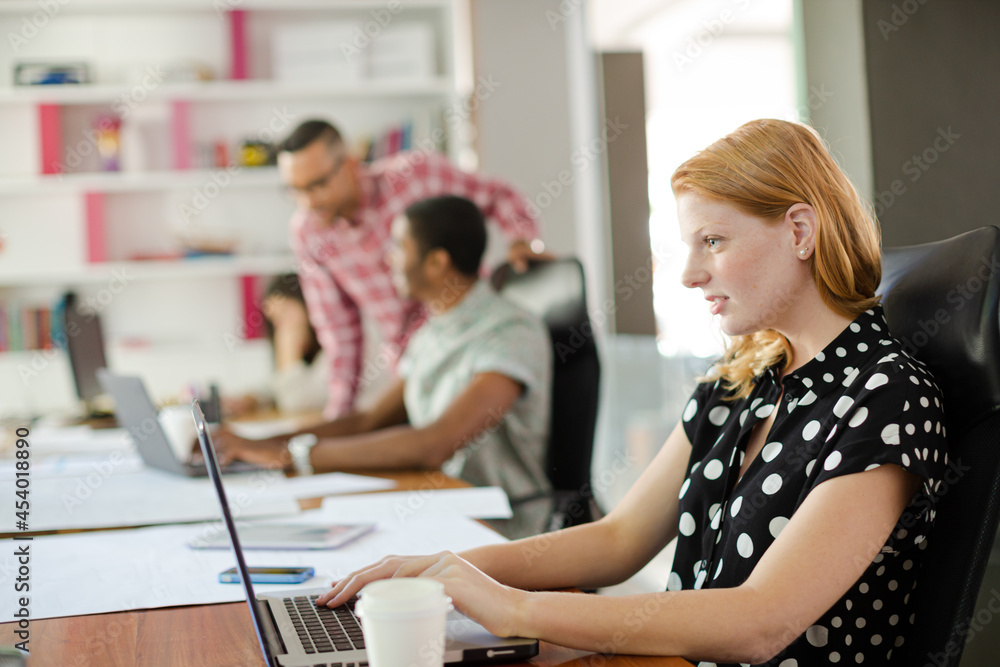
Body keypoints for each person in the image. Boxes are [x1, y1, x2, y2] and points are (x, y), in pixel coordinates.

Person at [313, 119, 949, 667]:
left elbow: (762, 622)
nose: (689, 273)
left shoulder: (887, 398)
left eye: (715, 241)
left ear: (800, 231)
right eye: (688, 245)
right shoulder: (739, 379)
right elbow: (619, 540)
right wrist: (447, 566)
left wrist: (516, 609)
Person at [208, 195, 553, 540]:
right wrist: (256, 444)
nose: (389, 260)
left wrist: (293, 455)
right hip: (441, 506)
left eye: (399, 247)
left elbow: (435, 444)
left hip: (505, 528)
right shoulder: (431, 334)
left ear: (436, 262)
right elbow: (369, 421)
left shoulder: (509, 332)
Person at [278, 119, 549, 419]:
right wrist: (339, 414)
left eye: (317, 185)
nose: (308, 202)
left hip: (470, 347)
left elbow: (496, 194)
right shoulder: (308, 233)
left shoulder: (414, 176)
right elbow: (339, 332)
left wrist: (522, 241)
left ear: (349, 164)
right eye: (295, 190)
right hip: (412, 368)